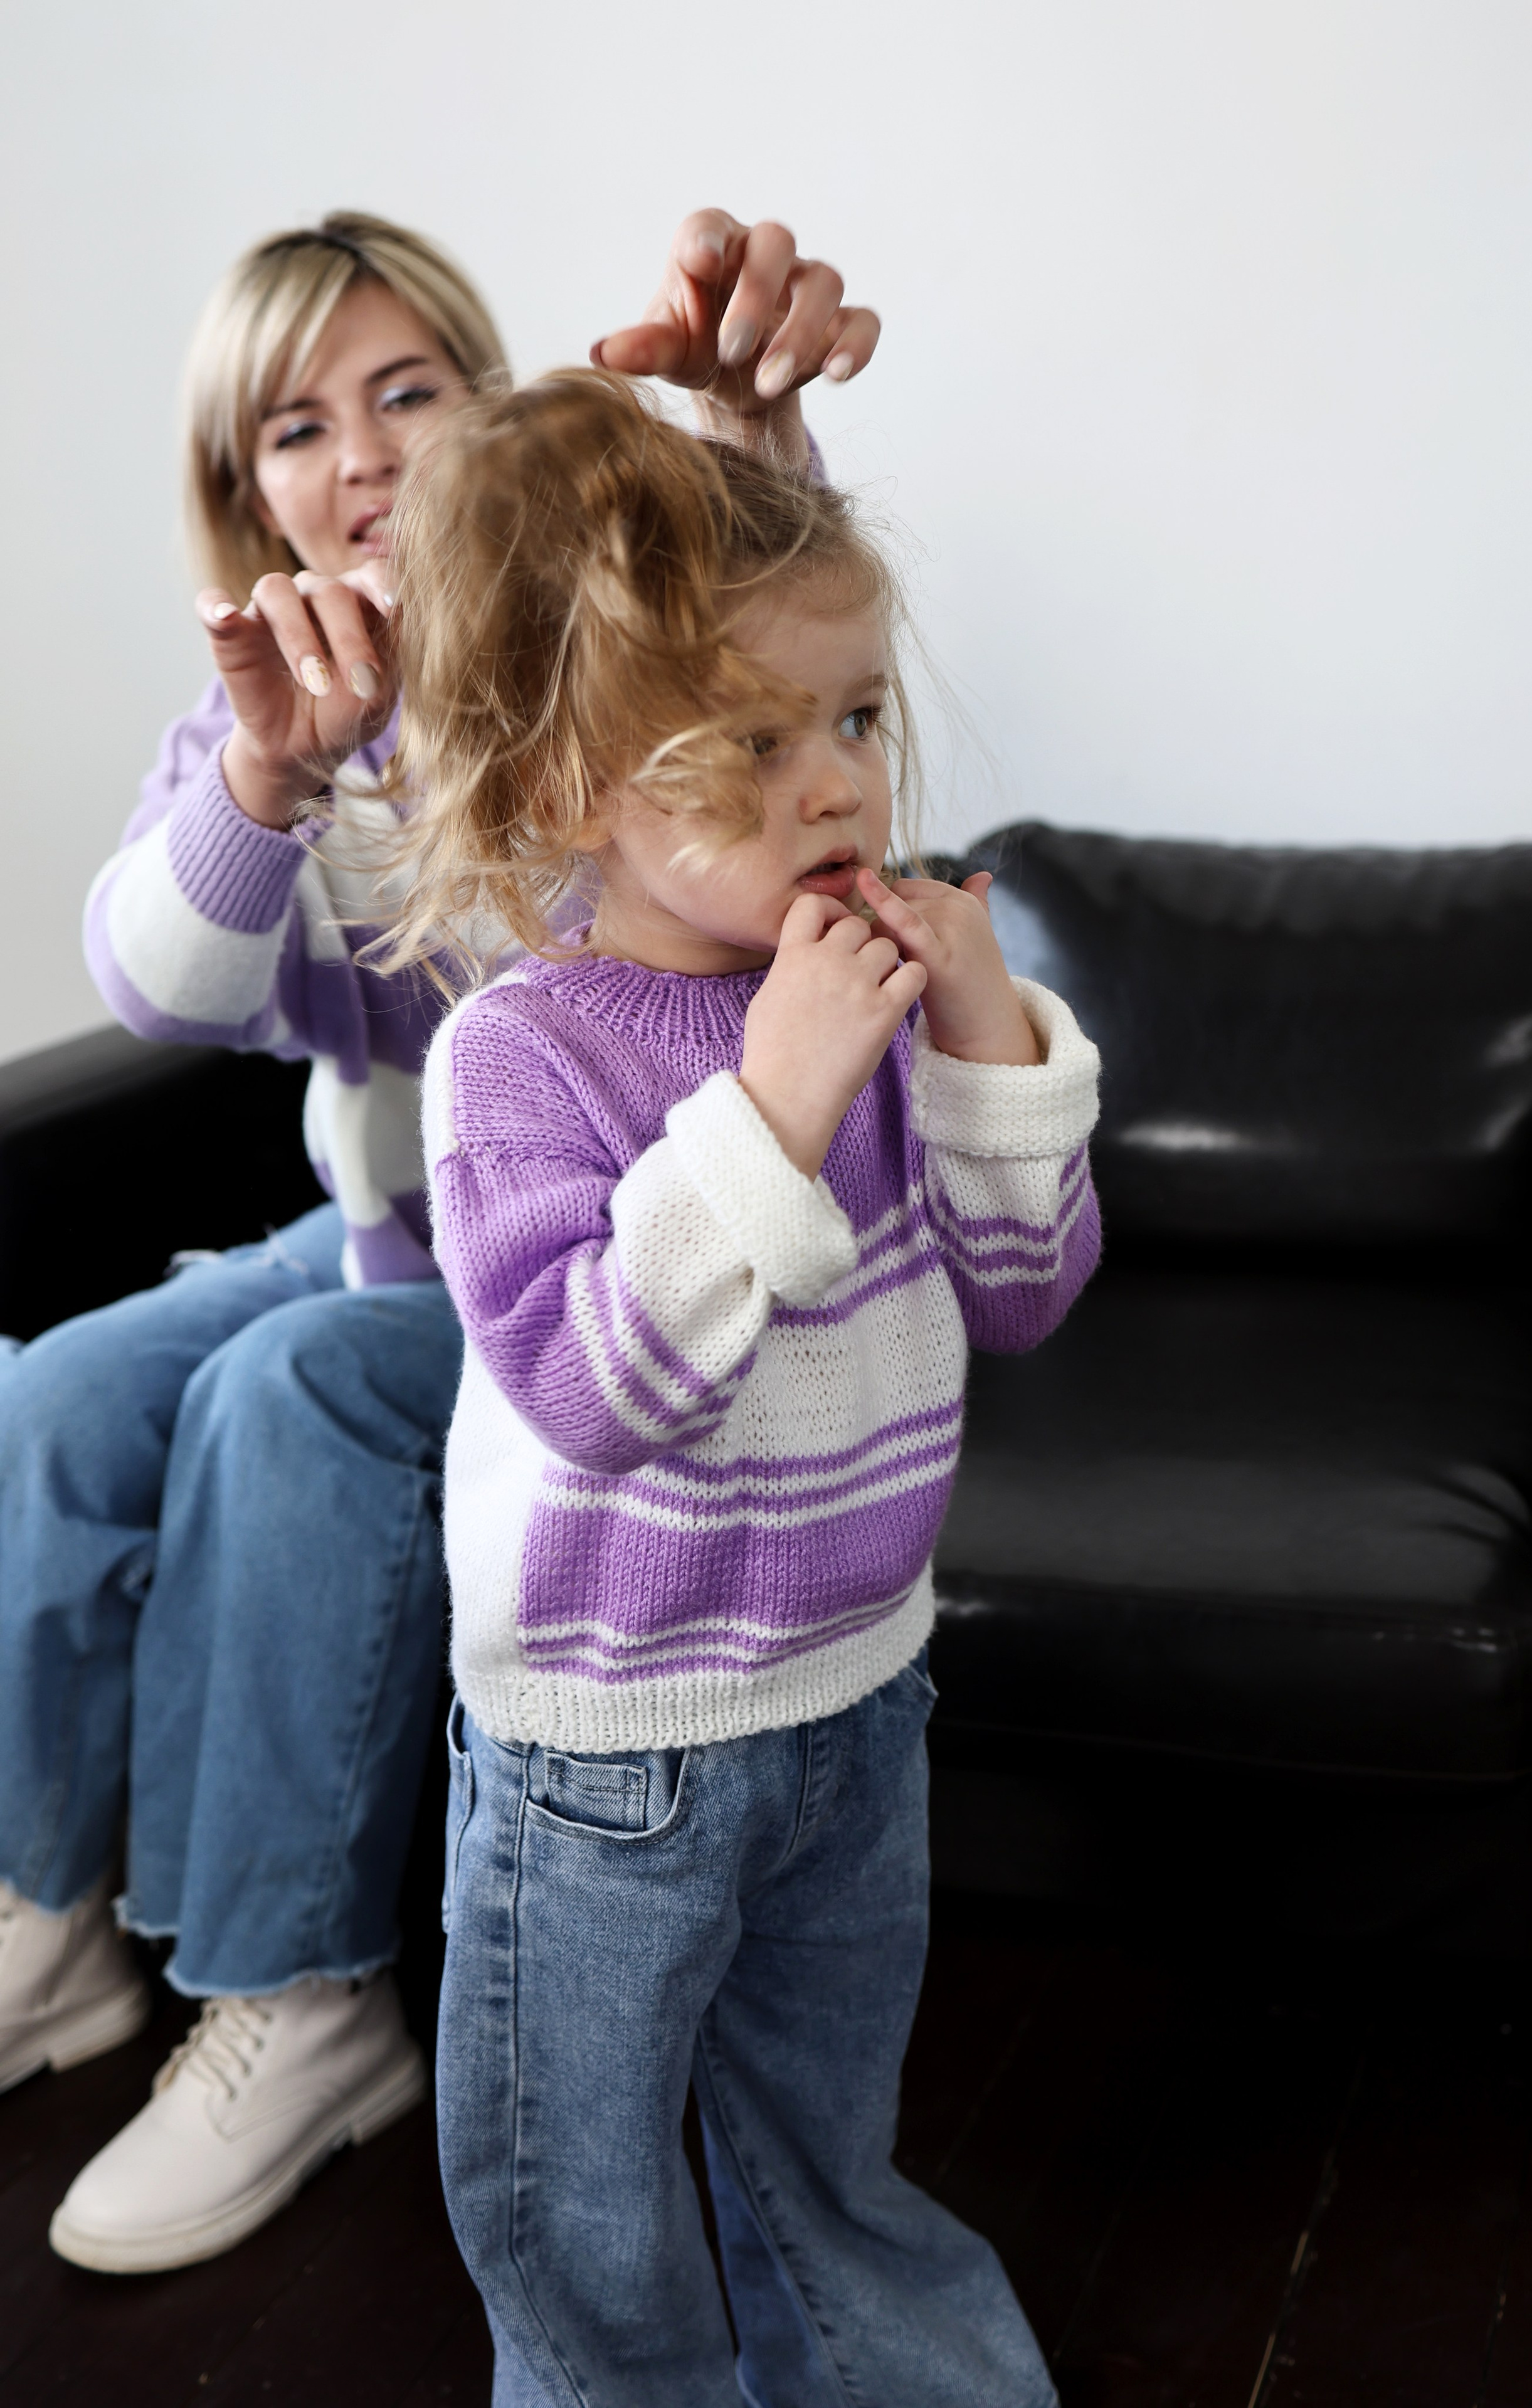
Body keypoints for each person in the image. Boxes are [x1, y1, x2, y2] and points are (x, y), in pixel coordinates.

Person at [0, 206, 880, 2277]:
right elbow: (158, 984)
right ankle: (43, 1908)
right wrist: (269, 774)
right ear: (252, 499)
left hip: (573, 1263)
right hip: (386, 1238)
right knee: (56, 1393)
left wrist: (749, 457)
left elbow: (759, 709)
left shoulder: (600, 681)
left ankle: (298, 1997)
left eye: (409, 392)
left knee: (289, 1389)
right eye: (298, 428)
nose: (366, 454)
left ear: (495, 414)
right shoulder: (265, 731)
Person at [389, 368, 1104, 2404]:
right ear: (567, 792)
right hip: (611, 1756)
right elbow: (591, 1386)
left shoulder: (876, 995)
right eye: (754, 746)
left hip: (861, 1701)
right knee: (586, 2222)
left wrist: (988, 1049)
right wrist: (775, 1105)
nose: (838, 789)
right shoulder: (519, 1055)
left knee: (827, 2158)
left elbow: (1028, 1295)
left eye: (858, 720)